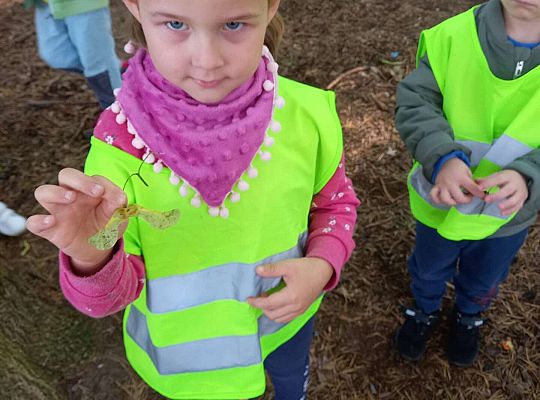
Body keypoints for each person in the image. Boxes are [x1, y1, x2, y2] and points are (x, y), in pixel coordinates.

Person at [27, 0, 360, 398]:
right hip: (193, 363)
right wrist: (90, 256)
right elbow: (106, 300)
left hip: (286, 320)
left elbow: (334, 202)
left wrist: (322, 265)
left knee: (291, 382)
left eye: (234, 24)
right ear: (134, 7)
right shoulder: (119, 150)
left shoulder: (306, 114)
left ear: (271, 7)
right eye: (175, 24)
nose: (206, 61)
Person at [394, 0, 540, 368]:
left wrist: (529, 173)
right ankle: (424, 308)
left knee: (485, 275)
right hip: (442, 202)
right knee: (428, 267)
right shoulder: (452, 36)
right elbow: (415, 103)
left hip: (505, 218)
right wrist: (441, 156)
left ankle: (469, 314)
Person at [23, 0, 122, 108]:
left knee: (97, 64)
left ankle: (116, 106)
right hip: (47, 5)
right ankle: (121, 73)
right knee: (55, 55)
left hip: (83, 5)